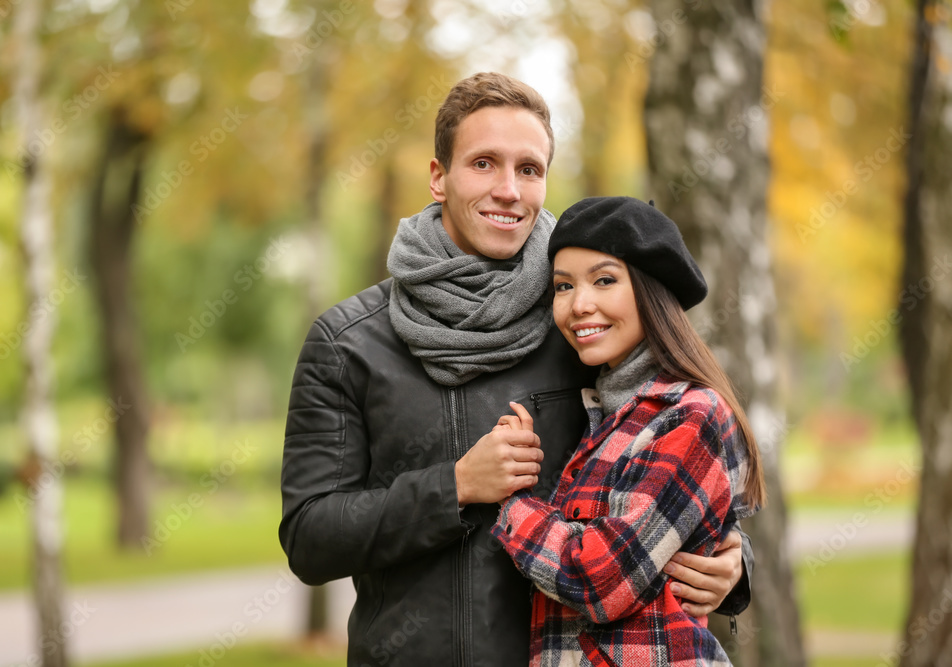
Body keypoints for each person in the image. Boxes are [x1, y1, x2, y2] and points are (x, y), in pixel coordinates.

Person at [279, 72, 753, 667]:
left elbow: (671, 455)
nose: (509, 189)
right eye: (484, 164)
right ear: (438, 178)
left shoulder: (583, 326)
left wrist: (733, 566)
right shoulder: (349, 342)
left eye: (529, 169)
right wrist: (454, 487)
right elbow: (310, 538)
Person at [489, 196, 765, 666]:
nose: (580, 305)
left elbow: (600, 581)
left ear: (650, 291)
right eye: (562, 286)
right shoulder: (599, 410)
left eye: (604, 280)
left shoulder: (689, 414)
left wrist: (508, 501)